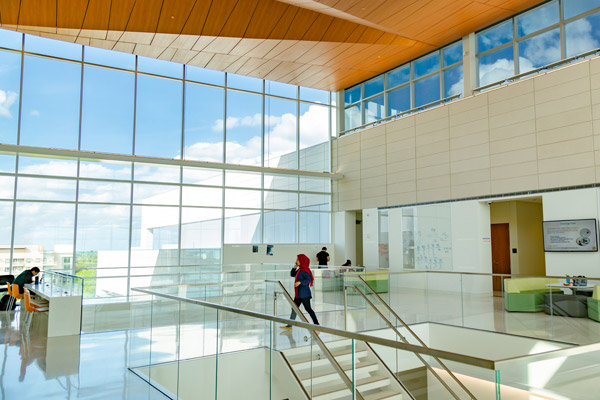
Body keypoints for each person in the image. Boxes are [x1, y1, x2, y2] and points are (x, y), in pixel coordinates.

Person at [281, 254, 319, 329]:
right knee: (294, 308)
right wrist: (293, 268)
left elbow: (309, 280)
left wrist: (300, 282)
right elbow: (292, 275)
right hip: (298, 294)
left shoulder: (305, 270)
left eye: (298, 259)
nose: (296, 261)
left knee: (308, 309)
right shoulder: (300, 269)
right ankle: (289, 325)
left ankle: (316, 323)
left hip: (304, 294)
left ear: (302, 261)